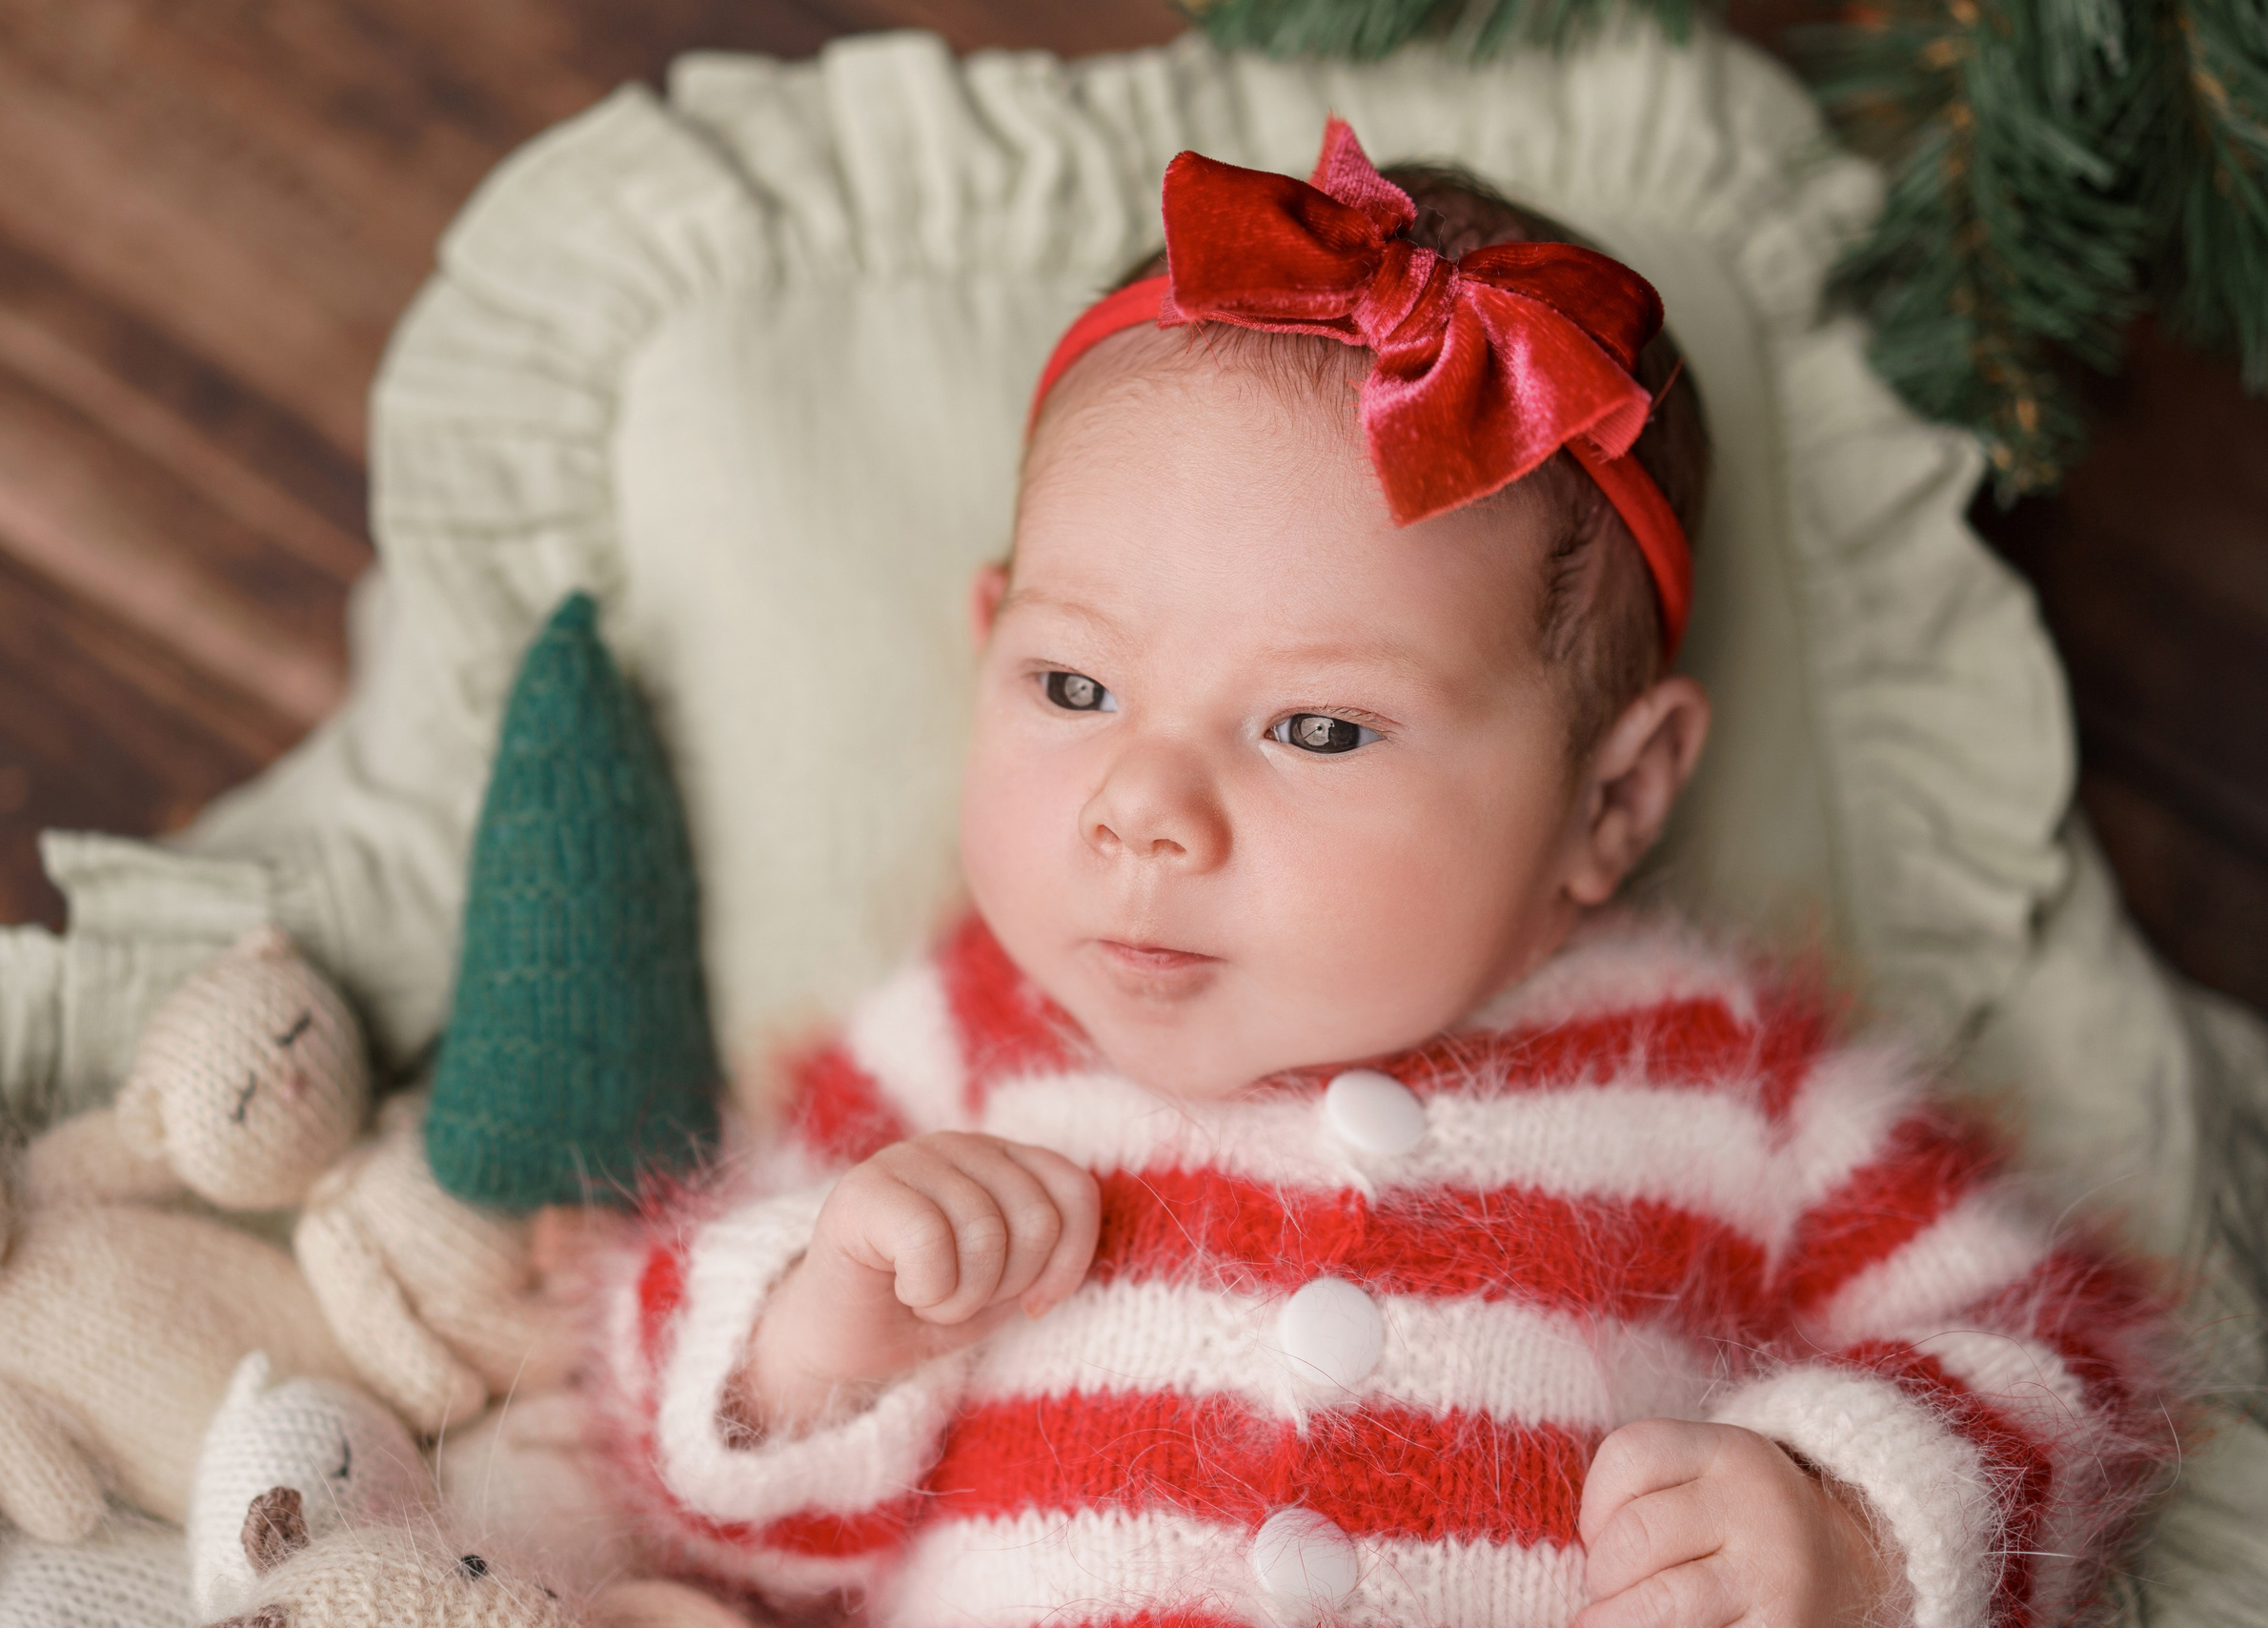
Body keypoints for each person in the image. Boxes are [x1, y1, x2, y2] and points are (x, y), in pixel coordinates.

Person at [585, 119, 2179, 1628]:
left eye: (1321, 727)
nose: (1144, 809)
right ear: (986, 635)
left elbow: (2064, 1352)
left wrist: (1845, 1524)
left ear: (1612, 803)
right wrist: (818, 1336)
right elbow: (703, 1500)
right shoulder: (954, 1045)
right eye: (1074, 689)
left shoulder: (1723, 1070)